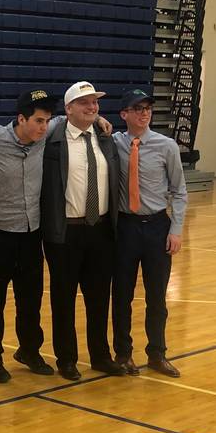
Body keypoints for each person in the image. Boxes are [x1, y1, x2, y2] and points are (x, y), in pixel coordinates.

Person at [39, 81, 125, 381]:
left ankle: (101, 356)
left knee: (100, 297)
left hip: (100, 229)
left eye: (95, 103)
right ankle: (67, 359)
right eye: (85, 103)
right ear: (69, 109)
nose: (92, 107)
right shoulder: (53, 137)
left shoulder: (105, 139)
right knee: (63, 299)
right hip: (65, 232)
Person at [0, 89, 60, 383]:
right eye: (38, 120)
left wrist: (98, 117)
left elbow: (75, 117)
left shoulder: (46, 134)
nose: (43, 126)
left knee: (30, 299)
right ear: (21, 118)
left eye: (47, 120)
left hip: (30, 234)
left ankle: (29, 350)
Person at [111, 89, 188, 378]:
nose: (144, 113)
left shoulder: (166, 146)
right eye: (137, 108)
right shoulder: (114, 142)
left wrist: (176, 230)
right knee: (121, 295)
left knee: (157, 296)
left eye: (147, 109)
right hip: (126, 228)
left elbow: (179, 190)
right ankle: (123, 353)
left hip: (157, 226)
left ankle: (157, 353)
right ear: (124, 114)